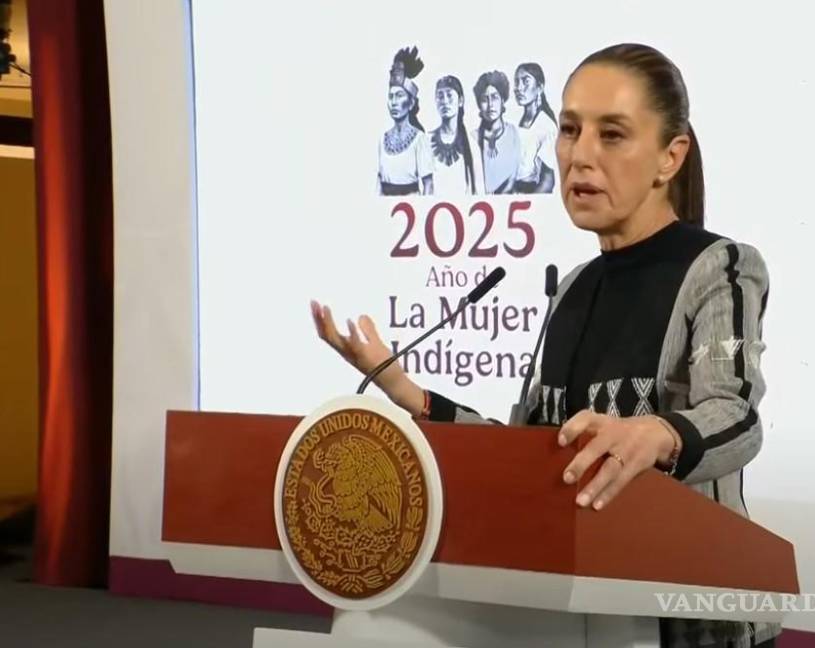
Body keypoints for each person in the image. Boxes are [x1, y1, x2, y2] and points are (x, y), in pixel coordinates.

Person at [315, 43, 777, 648]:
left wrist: (657, 435)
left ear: (670, 157)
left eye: (612, 135)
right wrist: (410, 393)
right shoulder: (573, 290)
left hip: (694, 622)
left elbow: (736, 417)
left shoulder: (719, 266)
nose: (580, 155)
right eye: (569, 129)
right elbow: (529, 453)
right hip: (574, 617)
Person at [377, 46, 434, 196]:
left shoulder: (420, 139)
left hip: (411, 206)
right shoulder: (382, 139)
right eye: (391, 97)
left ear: (411, 103)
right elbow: (379, 183)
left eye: (399, 96)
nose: (394, 102)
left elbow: (428, 185)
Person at [472, 70, 520, 194]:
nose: (490, 105)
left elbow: (513, 176)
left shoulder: (513, 133)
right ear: (479, 105)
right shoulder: (472, 138)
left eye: (494, 98)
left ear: (502, 101)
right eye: (484, 99)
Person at [513, 63, 558, 193]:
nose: (519, 88)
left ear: (539, 87)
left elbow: (548, 182)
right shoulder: (517, 122)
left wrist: (530, 202)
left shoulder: (546, 126)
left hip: (530, 195)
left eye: (525, 81)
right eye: (517, 82)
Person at [429, 75, 478, 195]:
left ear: (460, 101)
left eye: (449, 95)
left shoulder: (472, 143)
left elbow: (478, 190)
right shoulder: (426, 141)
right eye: (440, 96)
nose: (445, 101)